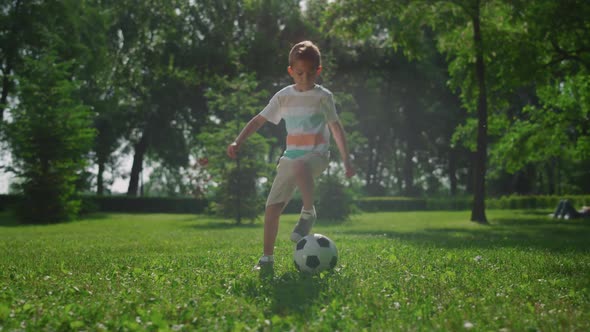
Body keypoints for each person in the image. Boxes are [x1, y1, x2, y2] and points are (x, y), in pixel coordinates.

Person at [226, 40, 355, 271]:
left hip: (316, 156)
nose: (304, 79)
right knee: (272, 208)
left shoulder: (323, 97)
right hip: (291, 157)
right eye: (299, 73)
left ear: (318, 71)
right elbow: (259, 120)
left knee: (299, 166)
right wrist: (239, 140)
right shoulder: (283, 96)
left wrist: (346, 159)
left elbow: (336, 128)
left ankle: (308, 212)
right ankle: (266, 259)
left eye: (309, 74)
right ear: (291, 71)